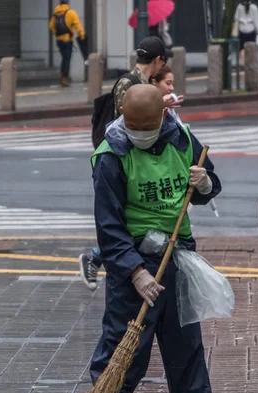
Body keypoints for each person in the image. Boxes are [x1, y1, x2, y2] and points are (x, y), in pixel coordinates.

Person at [90, 84, 222, 393]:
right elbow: (109, 227)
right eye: (134, 130)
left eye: (146, 131)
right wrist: (135, 274)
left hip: (178, 255)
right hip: (133, 261)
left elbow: (207, 182)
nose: (140, 138)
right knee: (124, 352)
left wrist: (205, 184)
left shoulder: (180, 136)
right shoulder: (111, 154)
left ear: (162, 119)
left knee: (186, 348)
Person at [79, 37, 179, 290]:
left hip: (139, 160)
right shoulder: (128, 82)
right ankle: (96, 257)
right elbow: (125, 122)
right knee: (121, 218)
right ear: (157, 60)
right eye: (162, 63)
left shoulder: (145, 83)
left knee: (132, 218)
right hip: (124, 161)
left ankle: (101, 258)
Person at [49, 0, 86, 87]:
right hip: (67, 40)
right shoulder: (71, 13)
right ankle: (64, 78)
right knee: (67, 59)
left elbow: (51, 26)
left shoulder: (55, 14)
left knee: (64, 58)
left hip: (59, 41)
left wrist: (57, 34)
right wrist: (82, 35)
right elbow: (77, 25)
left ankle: (62, 76)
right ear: (67, 4)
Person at [233, 1, 258, 66]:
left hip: (242, 30)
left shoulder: (239, 6)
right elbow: (256, 22)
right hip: (251, 30)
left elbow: (236, 18)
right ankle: (250, 64)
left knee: (242, 49)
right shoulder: (254, 8)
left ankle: (242, 63)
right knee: (251, 48)